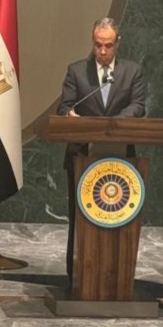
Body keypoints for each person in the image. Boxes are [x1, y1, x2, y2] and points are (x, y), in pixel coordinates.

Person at [56, 17, 145, 282]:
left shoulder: (132, 71)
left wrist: (111, 124)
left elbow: (138, 106)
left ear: (118, 43)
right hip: (82, 156)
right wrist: (70, 115)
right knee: (81, 216)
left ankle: (117, 274)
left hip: (121, 157)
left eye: (108, 45)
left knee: (118, 215)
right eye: (98, 45)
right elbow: (65, 106)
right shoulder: (76, 71)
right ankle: (76, 274)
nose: (103, 51)